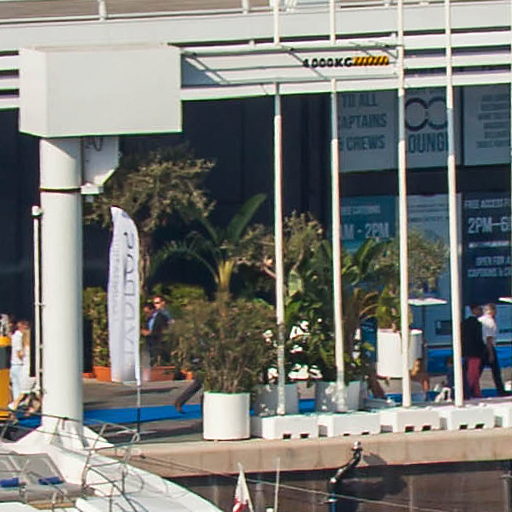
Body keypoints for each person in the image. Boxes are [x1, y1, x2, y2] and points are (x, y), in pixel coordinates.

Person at [479, 303, 507, 396]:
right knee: (496, 371)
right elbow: (488, 338)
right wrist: (491, 353)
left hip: (481, 347)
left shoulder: (480, 320)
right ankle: (501, 390)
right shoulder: (489, 321)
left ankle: (471, 388)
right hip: (488, 347)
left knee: (478, 370)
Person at [461, 304, 486, 398]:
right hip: (475, 352)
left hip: (466, 351)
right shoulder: (477, 324)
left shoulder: (464, 323)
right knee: (473, 372)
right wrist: (482, 349)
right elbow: (478, 339)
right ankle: (467, 391)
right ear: (474, 310)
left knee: (473, 372)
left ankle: (476, 391)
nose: (481, 311)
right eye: (479, 309)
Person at [9, 319, 31, 409]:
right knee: (20, 391)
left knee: (17, 389)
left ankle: (15, 408)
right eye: (25, 325)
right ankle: (15, 408)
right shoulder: (18, 337)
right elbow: (19, 353)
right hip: (19, 365)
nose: (27, 327)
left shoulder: (17, 336)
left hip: (17, 365)